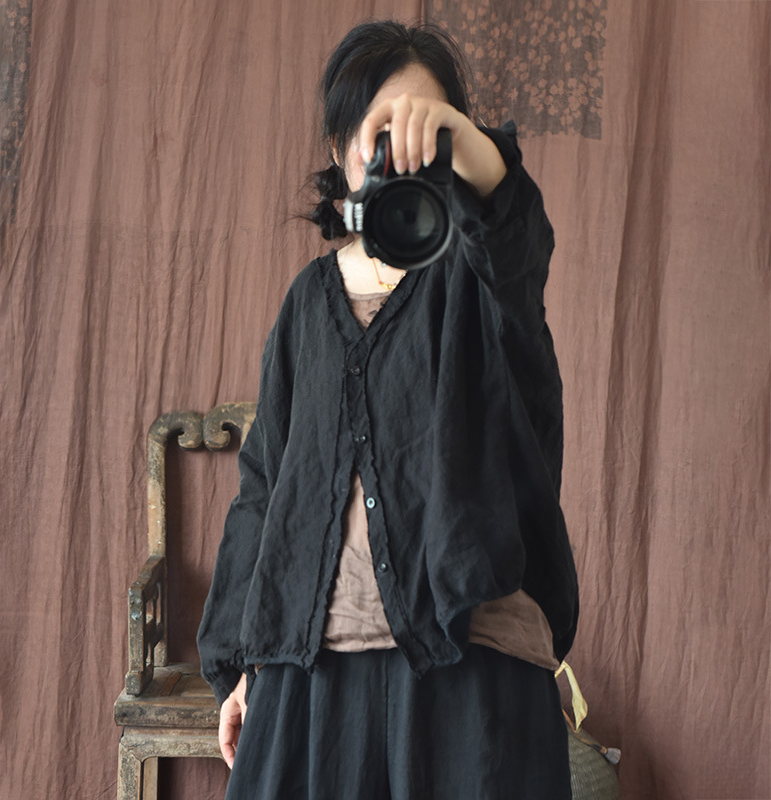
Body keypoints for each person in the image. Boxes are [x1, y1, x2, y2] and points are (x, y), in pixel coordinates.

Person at [198, 19, 579, 800]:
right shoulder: (307, 304)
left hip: (473, 673)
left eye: (427, 132)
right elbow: (265, 486)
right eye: (381, 135)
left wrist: (470, 148)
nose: (402, 150)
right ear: (341, 153)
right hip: (312, 681)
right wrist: (241, 663)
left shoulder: (484, 278)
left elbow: (516, 238)